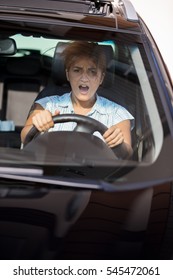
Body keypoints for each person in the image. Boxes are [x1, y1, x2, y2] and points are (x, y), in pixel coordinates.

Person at [21, 41, 134, 158]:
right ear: (67, 74)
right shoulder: (47, 104)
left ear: (101, 78)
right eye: (77, 70)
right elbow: (25, 136)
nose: (84, 78)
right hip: (48, 171)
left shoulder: (117, 113)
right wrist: (38, 124)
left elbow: (127, 152)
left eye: (92, 72)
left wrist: (118, 143)